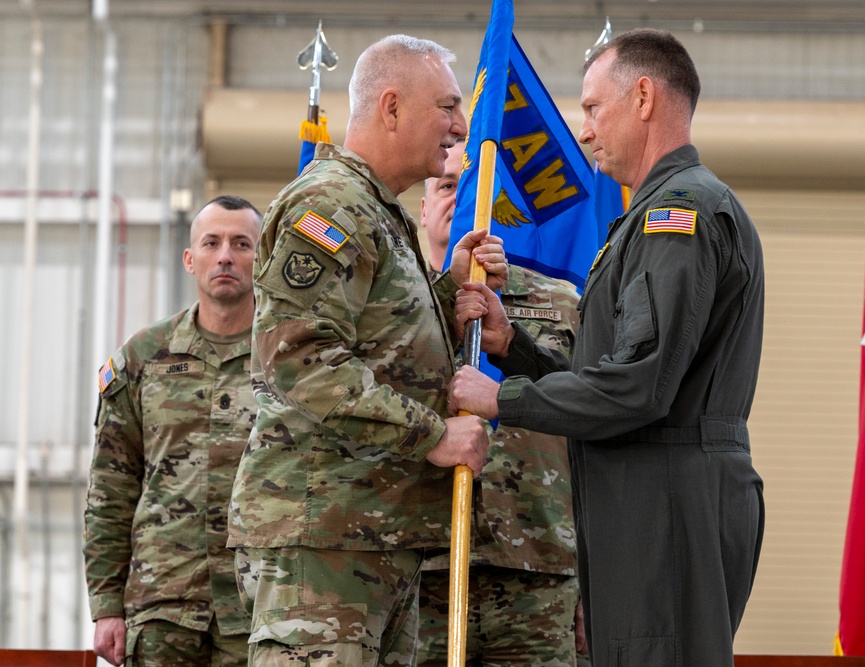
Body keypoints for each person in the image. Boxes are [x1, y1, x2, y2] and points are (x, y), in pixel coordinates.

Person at [449, 29, 766, 667]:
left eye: (593, 108)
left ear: (643, 96)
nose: (584, 129)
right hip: (648, 495)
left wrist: (501, 396)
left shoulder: (675, 214)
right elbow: (620, 372)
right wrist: (516, 351)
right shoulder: (656, 213)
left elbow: (640, 385)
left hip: (666, 500)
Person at [227, 35, 508, 667]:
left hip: (372, 534)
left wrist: (445, 287)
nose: (461, 127)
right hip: (324, 540)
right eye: (447, 108)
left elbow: (378, 340)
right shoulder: (329, 203)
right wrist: (432, 434)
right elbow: (298, 357)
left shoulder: (379, 211)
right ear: (391, 107)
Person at [417, 142, 584, 666]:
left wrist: (594, 578)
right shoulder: (396, 304)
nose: (461, 200)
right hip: (418, 567)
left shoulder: (563, 302)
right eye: (446, 186)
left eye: (474, 189)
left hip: (537, 569)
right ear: (422, 208)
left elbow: (593, 427)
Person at [83, 195, 263, 666]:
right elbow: (111, 487)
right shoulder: (144, 356)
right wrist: (106, 605)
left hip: (260, 606)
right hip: (162, 605)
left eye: (241, 243)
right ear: (190, 259)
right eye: (212, 242)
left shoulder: (289, 356)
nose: (225, 255)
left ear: (261, 260)